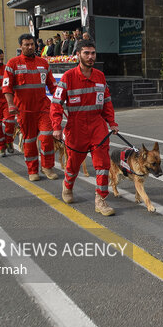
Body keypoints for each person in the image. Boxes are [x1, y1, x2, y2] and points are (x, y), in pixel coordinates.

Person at [50, 39, 119, 216]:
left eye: (93, 53)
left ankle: (100, 200)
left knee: (103, 164)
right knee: (73, 164)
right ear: (78, 55)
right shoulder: (68, 77)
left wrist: (112, 122)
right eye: (86, 53)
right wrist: (56, 127)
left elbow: (107, 102)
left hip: (97, 126)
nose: (90, 56)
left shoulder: (100, 76)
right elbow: (56, 103)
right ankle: (67, 186)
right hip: (76, 127)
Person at [3, 33, 59, 181]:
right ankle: (33, 170)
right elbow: (7, 87)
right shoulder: (12, 63)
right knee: (29, 140)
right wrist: (10, 104)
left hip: (43, 108)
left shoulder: (43, 63)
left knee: (47, 136)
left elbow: (52, 84)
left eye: (32, 44)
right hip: (24, 110)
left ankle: (47, 166)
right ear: (20, 46)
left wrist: (61, 100)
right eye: (26, 44)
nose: (29, 47)